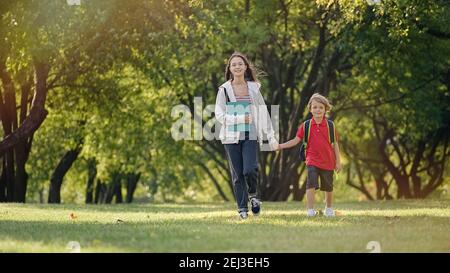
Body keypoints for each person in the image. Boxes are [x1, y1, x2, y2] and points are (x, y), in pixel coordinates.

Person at [215, 52, 278, 219]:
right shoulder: (224, 90)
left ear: (245, 67)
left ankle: (254, 196)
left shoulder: (253, 88)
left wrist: (270, 136)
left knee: (249, 169)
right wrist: (239, 118)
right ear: (230, 68)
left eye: (240, 64)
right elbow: (219, 114)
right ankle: (242, 209)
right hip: (230, 136)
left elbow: (263, 111)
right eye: (234, 64)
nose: (237, 67)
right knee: (237, 175)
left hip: (250, 133)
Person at [277, 93, 341, 217]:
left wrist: (338, 162)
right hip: (311, 160)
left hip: (328, 161)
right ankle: (310, 210)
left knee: (328, 187)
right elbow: (295, 141)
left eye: (321, 107)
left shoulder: (330, 126)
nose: (318, 110)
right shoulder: (305, 126)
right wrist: (280, 146)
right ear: (310, 109)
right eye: (315, 107)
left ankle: (329, 208)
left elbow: (335, 145)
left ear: (325, 109)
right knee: (311, 183)